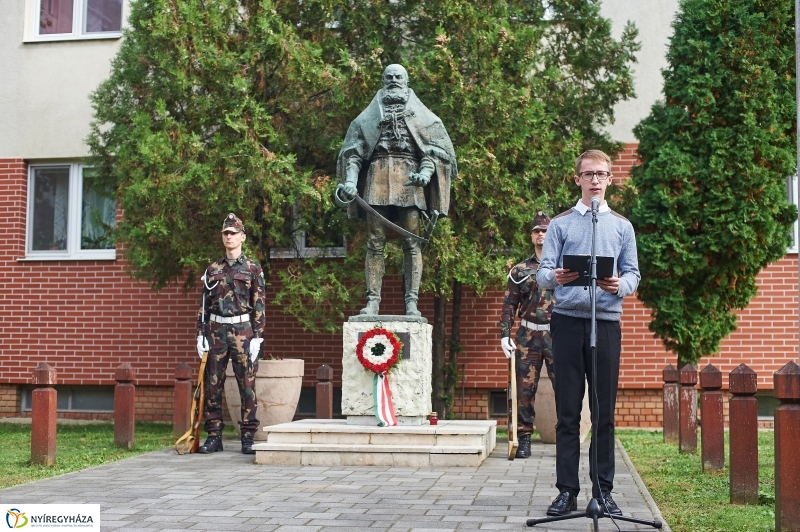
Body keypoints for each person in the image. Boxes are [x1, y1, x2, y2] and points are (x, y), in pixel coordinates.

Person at [536, 150, 640, 517]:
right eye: (588, 174)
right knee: (567, 413)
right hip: (567, 323)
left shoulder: (621, 226)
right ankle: (567, 492)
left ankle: (605, 492)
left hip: (606, 324)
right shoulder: (561, 225)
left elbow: (633, 274)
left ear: (611, 179)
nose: (595, 180)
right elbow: (543, 272)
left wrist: (619, 286)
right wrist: (556, 277)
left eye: (602, 174)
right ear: (577, 178)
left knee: (604, 413)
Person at [337, 64, 457, 317]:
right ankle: (372, 302)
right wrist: (350, 180)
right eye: (388, 77)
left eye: (398, 77)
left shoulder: (424, 118)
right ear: (382, 81)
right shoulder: (366, 118)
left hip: (409, 183)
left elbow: (432, 153)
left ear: (406, 82)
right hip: (376, 179)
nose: (393, 80)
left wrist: (425, 175)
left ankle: (411, 303)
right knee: (374, 243)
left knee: (412, 243)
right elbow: (354, 153)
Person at [195, 213, 265, 455]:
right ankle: (214, 436)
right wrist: (201, 333)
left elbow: (259, 303)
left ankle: (248, 436)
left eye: (233, 233)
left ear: (242, 237)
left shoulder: (253, 268)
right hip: (215, 331)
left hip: (243, 330)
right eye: (226, 233)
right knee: (213, 385)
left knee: (247, 383)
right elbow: (204, 304)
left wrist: (258, 336)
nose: (229, 236)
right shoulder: (213, 269)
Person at [498, 211, 556, 459]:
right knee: (524, 389)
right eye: (537, 231)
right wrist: (504, 334)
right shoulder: (520, 270)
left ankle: (566, 440)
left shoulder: (563, 267)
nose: (541, 234)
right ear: (532, 236)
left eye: (545, 230)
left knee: (565, 389)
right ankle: (524, 440)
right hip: (528, 335)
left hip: (558, 335)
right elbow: (509, 304)